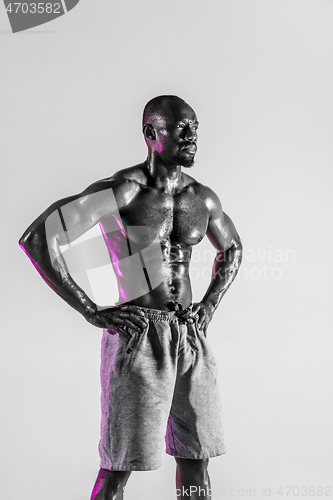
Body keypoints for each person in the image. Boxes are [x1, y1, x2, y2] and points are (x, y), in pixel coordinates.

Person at [19, 95, 243, 500]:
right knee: (119, 465)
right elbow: (39, 237)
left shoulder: (202, 198)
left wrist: (209, 303)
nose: (192, 136)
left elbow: (233, 249)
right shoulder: (124, 191)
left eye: (195, 128)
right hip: (140, 335)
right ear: (151, 134)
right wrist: (90, 310)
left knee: (197, 457)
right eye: (180, 128)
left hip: (189, 333)